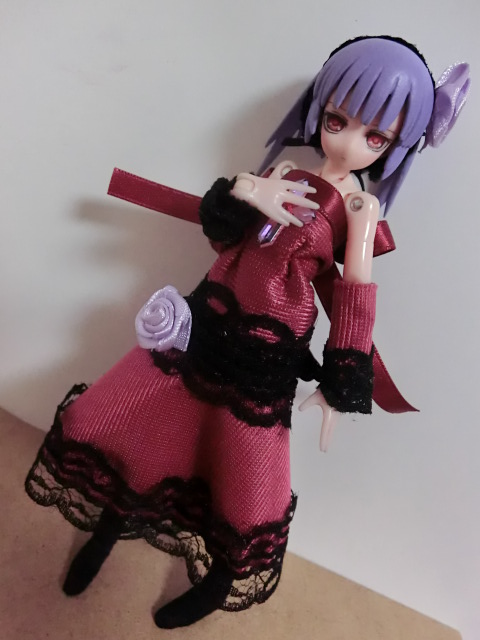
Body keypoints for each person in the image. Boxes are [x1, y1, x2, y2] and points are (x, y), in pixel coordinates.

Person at [25, 36, 469, 628]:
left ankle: (220, 579)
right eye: (336, 121)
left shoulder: (359, 212)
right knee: (137, 427)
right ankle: (108, 527)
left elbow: (355, 295)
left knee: (244, 479)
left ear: (395, 146)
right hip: (208, 321)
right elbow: (223, 241)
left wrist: (341, 384)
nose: (346, 143)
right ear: (319, 109)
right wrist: (246, 188)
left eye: (375, 137)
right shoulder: (284, 173)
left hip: (265, 353)